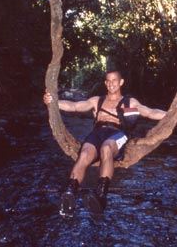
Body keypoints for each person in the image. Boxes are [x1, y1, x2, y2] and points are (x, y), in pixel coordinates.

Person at [43, 70, 166, 215]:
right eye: (108, 81)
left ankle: (101, 195)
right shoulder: (97, 101)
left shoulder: (129, 102)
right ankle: (70, 192)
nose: (111, 84)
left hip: (117, 134)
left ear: (121, 82)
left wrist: (172, 113)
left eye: (114, 80)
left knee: (106, 148)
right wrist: (53, 101)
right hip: (97, 133)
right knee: (84, 153)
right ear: (105, 83)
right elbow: (75, 106)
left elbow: (150, 112)